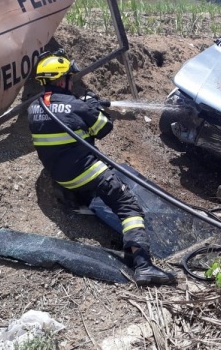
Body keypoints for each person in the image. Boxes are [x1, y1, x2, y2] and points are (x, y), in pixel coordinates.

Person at [27, 50, 177, 287]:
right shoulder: (77, 106)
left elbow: (65, 120)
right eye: (69, 78)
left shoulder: (34, 108)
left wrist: (85, 107)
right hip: (85, 173)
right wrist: (94, 108)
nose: (71, 82)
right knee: (128, 206)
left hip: (60, 176)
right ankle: (143, 265)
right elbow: (104, 128)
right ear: (60, 79)